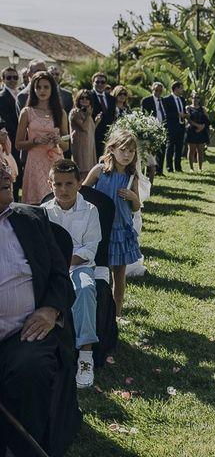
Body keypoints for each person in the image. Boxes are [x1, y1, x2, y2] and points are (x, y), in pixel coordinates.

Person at [0, 157, 79, 457]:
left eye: (4, 168)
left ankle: (22, 451)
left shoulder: (32, 219)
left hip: (25, 333)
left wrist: (50, 310)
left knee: (28, 367)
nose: (6, 174)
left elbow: (60, 277)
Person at [42, 159, 101, 389]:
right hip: (52, 267)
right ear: (50, 184)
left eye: (69, 183)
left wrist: (67, 262)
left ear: (79, 184)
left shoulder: (90, 211)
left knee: (85, 289)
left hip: (80, 266)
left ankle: (86, 355)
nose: (63, 189)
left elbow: (90, 248)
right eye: (58, 184)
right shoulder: (43, 211)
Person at [84, 129, 141, 318]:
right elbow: (83, 193)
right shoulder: (99, 171)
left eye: (131, 151)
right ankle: (99, 311)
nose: (127, 155)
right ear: (112, 149)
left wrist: (132, 197)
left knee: (119, 274)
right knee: (100, 272)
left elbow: (135, 207)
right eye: (123, 150)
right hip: (100, 229)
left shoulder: (131, 177)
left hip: (120, 230)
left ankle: (117, 313)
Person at [15, 71, 69, 204]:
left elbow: (66, 146)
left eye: (46, 87)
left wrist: (59, 140)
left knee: (56, 200)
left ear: (52, 89)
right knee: (36, 203)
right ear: (33, 89)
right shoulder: (27, 112)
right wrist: (35, 141)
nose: (42, 90)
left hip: (55, 161)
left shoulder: (60, 113)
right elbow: (18, 144)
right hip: (34, 162)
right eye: (38, 87)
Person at [0, 67, 22, 199]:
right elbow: (6, 123)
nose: (12, 80)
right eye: (9, 77)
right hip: (10, 143)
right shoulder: (1, 97)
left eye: (15, 77)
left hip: (20, 143)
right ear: (3, 79)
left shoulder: (20, 94)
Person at [68, 89, 99, 180]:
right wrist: (89, 116)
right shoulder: (75, 112)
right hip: (80, 146)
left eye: (87, 98)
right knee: (82, 172)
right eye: (82, 97)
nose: (84, 99)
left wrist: (96, 122)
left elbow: (90, 130)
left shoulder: (86, 112)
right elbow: (84, 128)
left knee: (90, 171)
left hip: (89, 146)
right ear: (78, 99)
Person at [140, 82, 166, 181]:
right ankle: (147, 172)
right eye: (156, 90)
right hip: (151, 129)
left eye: (160, 90)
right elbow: (144, 115)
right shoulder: (147, 100)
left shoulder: (163, 101)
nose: (158, 92)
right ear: (152, 90)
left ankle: (159, 170)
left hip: (162, 129)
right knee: (149, 152)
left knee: (161, 150)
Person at [163, 81, 188, 173]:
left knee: (179, 147)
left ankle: (178, 167)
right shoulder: (167, 99)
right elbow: (166, 113)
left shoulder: (182, 99)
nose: (182, 90)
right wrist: (178, 115)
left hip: (181, 126)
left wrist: (185, 115)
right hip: (171, 126)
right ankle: (169, 167)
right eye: (181, 88)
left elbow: (183, 111)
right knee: (170, 147)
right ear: (176, 88)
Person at [90, 72, 116, 159]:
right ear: (93, 83)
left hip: (108, 136)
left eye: (103, 82)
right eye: (97, 82)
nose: (100, 84)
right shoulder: (88, 96)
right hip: (92, 134)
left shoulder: (111, 99)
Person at [185, 91, 210, 172]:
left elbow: (207, 121)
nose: (195, 99)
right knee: (191, 150)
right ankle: (191, 168)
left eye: (197, 98)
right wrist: (197, 126)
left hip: (201, 132)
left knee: (200, 150)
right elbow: (188, 120)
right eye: (194, 97)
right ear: (191, 98)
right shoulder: (188, 108)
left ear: (199, 99)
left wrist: (202, 127)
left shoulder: (203, 109)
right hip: (192, 130)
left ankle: (200, 168)